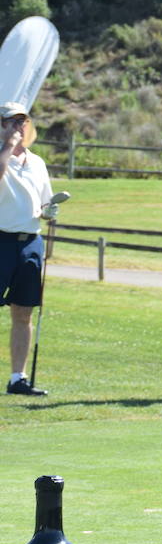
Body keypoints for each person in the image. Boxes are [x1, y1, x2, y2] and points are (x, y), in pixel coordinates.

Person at [0, 102, 53, 396]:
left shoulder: (37, 163)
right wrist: (7, 146)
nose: (18, 127)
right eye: (10, 122)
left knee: (23, 312)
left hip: (30, 242)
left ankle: (17, 378)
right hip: (0, 239)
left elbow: (43, 204)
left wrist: (50, 210)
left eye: (22, 122)